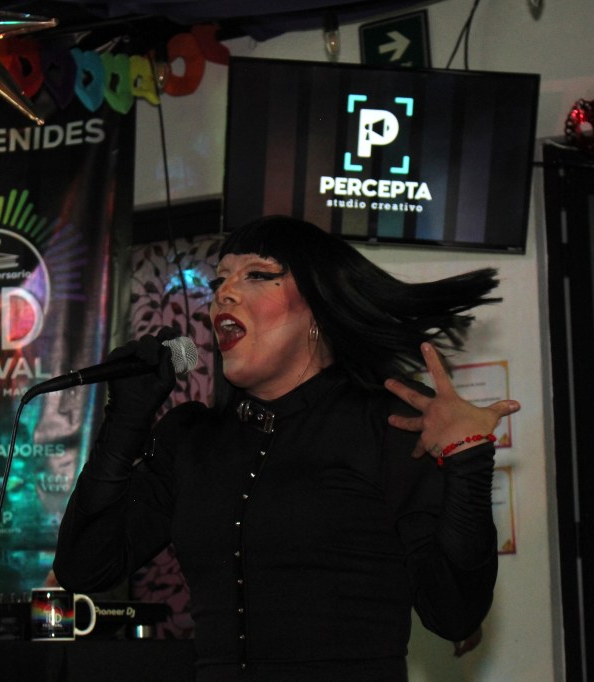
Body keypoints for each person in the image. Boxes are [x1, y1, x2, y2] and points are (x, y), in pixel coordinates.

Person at [54, 215, 520, 680]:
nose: (224, 293)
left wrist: (468, 459)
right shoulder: (190, 438)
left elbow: (455, 614)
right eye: (219, 280)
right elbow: (85, 567)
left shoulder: (388, 423)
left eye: (257, 275)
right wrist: (124, 422)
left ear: (317, 306)